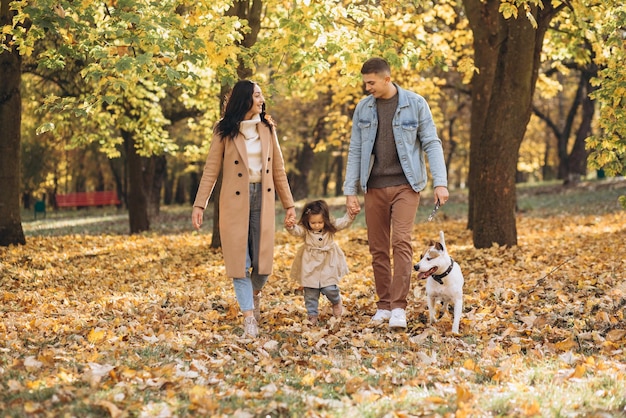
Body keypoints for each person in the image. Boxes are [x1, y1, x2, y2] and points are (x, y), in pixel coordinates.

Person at [343, 57, 449, 329]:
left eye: (371, 82)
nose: (367, 87)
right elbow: (355, 149)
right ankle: (384, 305)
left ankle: (399, 307)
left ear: (387, 79)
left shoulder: (415, 104)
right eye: (364, 82)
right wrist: (350, 190)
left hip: (406, 184)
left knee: (401, 242)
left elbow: (432, 143)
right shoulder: (363, 109)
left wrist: (441, 182)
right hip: (373, 187)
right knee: (377, 248)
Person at [192, 80, 296, 338]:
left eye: (261, 96)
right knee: (240, 262)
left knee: (263, 265)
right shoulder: (224, 130)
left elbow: (279, 170)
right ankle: (249, 317)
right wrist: (199, 204)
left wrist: (290, 206)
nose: (261, 100)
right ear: (245, 100)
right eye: (257, 96)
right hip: (233, 201)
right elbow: (211, 170)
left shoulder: (268, 129)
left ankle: (254, 293)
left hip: (264, 196)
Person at [285, 200, 355, 325]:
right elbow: (296, 231)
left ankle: (336, 301)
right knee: (310, 291)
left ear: (325, 220)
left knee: (329, 288)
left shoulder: (330, 227)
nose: (317, 225)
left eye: (320, 222)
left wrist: (350, 216)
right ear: (307, 221)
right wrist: (290, 226)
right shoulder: (305, 230)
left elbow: (343, 222)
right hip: (310, 264)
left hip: (328, 262)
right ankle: (312, 314)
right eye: (313, 223)